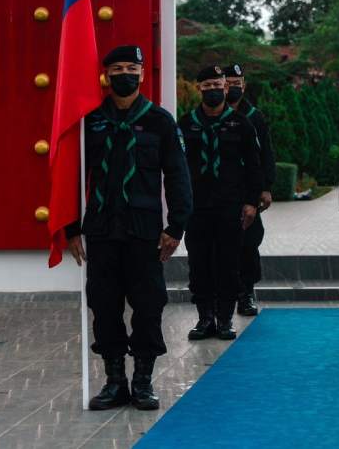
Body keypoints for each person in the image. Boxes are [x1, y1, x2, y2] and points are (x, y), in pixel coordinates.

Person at [65, 45, 192, 411]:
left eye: (132, 68)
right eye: (117, 68)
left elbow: (178, 176)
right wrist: (72, 227)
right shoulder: (90, 120)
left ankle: (142, 382)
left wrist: (176, 226)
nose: (125, 74)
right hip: (102, 231)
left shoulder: (160, 121)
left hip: (144, 233)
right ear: (106, 76)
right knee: (104, 306)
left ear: (141, 73)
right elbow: (72, 177)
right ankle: (114, 381)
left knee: (148, 306)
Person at [181, 65, 263, 342]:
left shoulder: (241, 123)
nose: (213, 90)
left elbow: (254, 165)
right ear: (199, 89)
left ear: (225, 88)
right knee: (199, 263)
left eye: (218, 85)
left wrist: (252, 202)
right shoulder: (186, 123)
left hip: (230, 206)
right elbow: (176, 168)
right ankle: (205, 318)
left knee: (229, 263)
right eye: (207, 86)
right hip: (197, 207)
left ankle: (226, 318)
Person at [223, 64, 276, 317]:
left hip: (248, 191)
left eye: (237, 82)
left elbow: (265, 152)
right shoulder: (211, 115)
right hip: (219, 193)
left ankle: (246, 294)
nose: (233, 87)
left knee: (248, 244)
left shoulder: (254, 116)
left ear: (244, 86)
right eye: (228, 81)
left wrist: (265, 188)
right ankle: (219, 301)